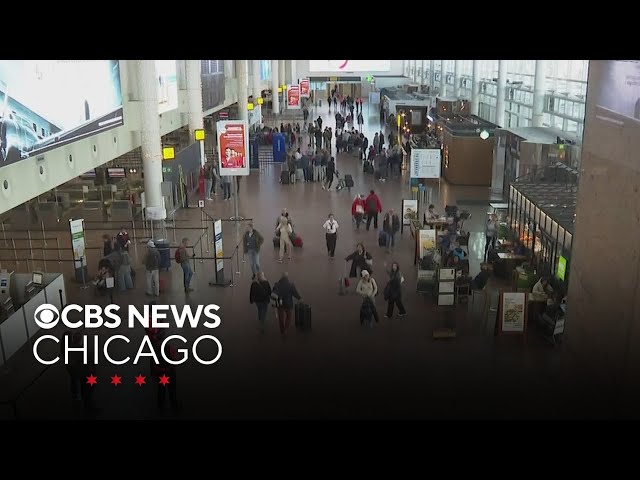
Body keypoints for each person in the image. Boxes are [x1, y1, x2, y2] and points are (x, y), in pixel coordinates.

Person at [148, 328, 179, 412]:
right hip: (170, 372)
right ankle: (174, 407)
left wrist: (153, 373)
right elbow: (175, 359)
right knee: (172, 390)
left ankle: (160, 407)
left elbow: (152, 363)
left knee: (161, 390)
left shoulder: (154, 350)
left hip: (160, 374)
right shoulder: (169, 348)